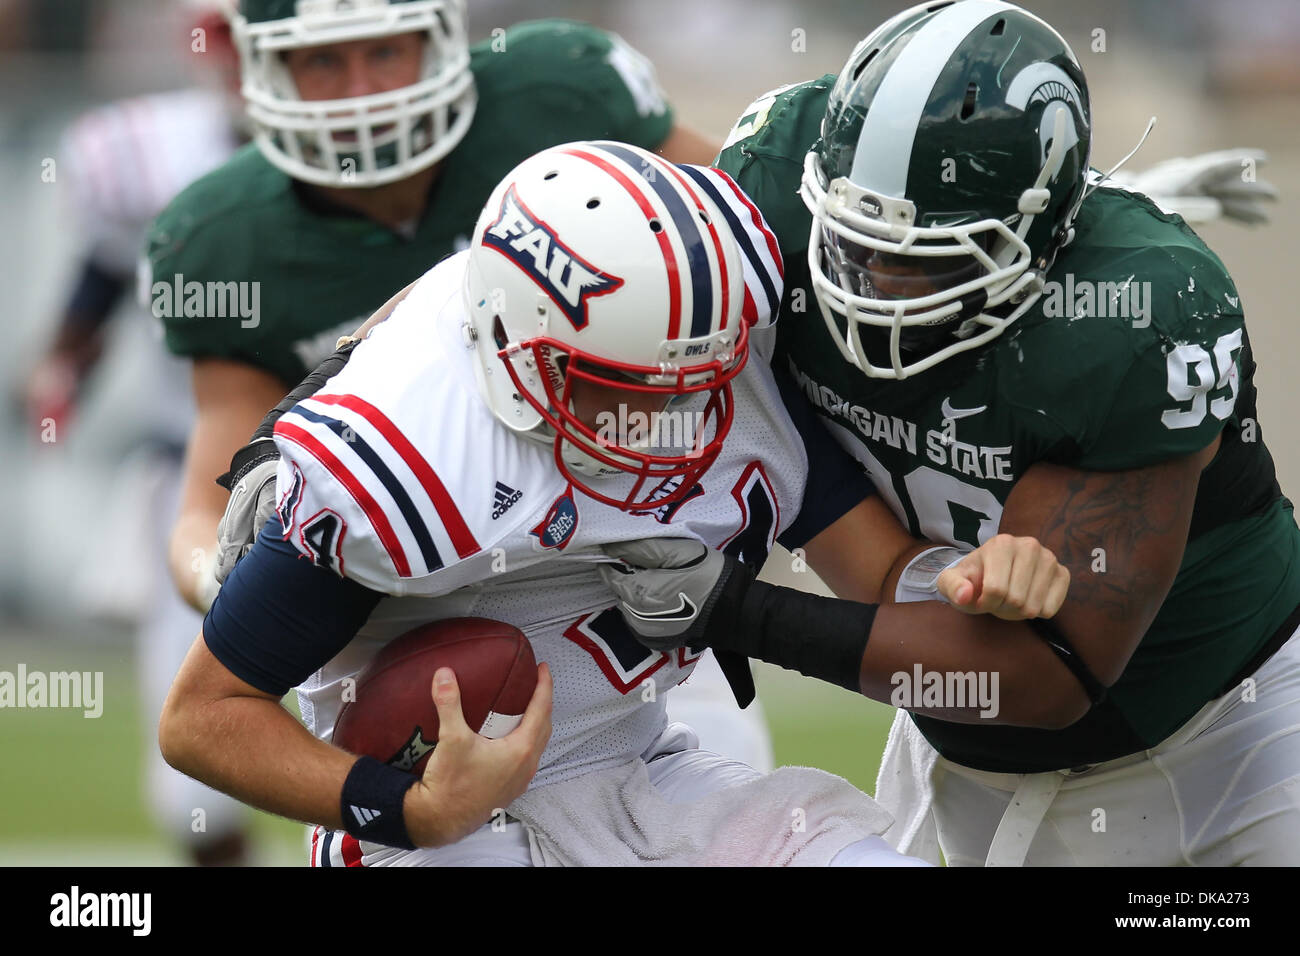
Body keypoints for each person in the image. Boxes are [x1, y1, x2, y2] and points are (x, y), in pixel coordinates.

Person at [159, 142, 1070, 866]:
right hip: (448, 833)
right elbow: (202, 717)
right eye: (619, 386)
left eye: (691, 380)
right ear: (518, 350)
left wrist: (968, 578)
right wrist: (410, 808)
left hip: (646, 772)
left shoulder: (724, 359)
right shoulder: (410, 456)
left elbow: (881, 577)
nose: (666, 418)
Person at [601, 0, 1300, 866]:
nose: (875, 287)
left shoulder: (1139, 321)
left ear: (1041, 236)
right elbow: (616, 269)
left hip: (1229, 734)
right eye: (855, 243)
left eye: (926, 258)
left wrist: (738, 612)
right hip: (966, 757)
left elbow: (1048, 677)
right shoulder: (771, 184)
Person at [144, 0, 773, 770]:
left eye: (385, 52)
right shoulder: (226, 237)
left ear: (441, 39)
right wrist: (230, 580)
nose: (361, 90)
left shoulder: (553, 95)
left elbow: (738, 247)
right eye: (322, 61)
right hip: (431, 587)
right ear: (263, 68)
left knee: (721, 788)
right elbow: (210, 499)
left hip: (633, 543)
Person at [24, 3, 252, 865]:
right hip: (196, 474)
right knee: (194, 759)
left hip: (360, 471)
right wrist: (61, 371)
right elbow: (101, 276)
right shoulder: (149, 152)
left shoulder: (391, 152)